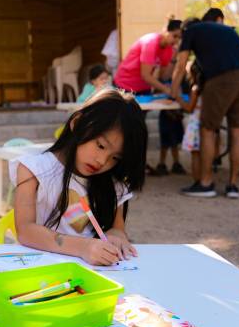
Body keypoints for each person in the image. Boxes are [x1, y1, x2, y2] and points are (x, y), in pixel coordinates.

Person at [11, 89, 147, 266]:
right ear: (77, 123)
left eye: (115, 157)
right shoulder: (34, 170)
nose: (102, 161)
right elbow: (25, 230)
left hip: (93, 274)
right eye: (100, 145)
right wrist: (83, 247)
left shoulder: (113, 183)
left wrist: (116, 236)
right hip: (38, 269)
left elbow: (117, 229)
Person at [171, 15, 239, 199]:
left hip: (222, 79)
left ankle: (205, 183)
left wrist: (174, 90)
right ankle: (233, 185)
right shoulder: (228, 29)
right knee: (238, 130)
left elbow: (181, 65)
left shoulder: (191, 31)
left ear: (185, 30)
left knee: (208, 129)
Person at [202, 7, 239, 176]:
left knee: (212, 127)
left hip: (220, 84)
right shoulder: (235, 31)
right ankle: (238, 169)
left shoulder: (209, 36)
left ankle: (213, 163)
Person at [113, 19, 182, 95]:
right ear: (165, 31)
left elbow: (164, 77)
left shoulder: (169, 49)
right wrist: (166, 89)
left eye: (180, 38)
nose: (177, 40)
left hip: (144, 88)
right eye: (175, 36)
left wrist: (174, 57)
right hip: (125, 86)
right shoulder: (150, 43)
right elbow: (145, 75)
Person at [177, 61, 204, 190]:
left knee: (195, 155)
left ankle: (197, 181)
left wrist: (179, 100)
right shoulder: (209, 87)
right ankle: (205, 180)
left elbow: (189, 108)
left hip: (195, 124)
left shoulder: (195, 89)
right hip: (206, 124)